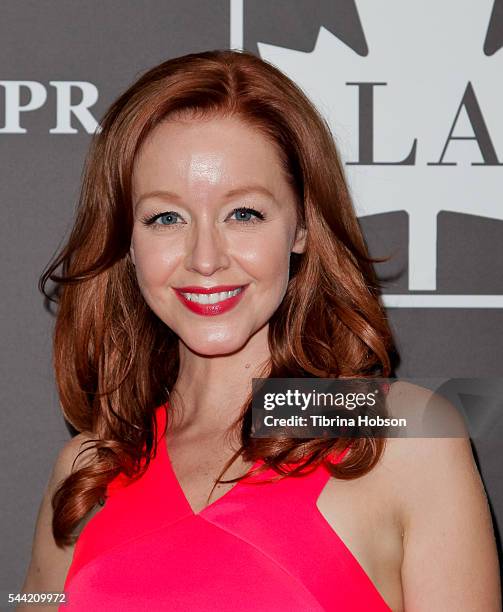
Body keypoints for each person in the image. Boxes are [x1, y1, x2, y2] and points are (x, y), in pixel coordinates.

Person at [19, 49, 500, 611]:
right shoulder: (88, 469)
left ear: (300, 225)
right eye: (165, 218)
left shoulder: (403, 432)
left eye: (243, 213)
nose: (205, 258)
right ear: (127, 241)